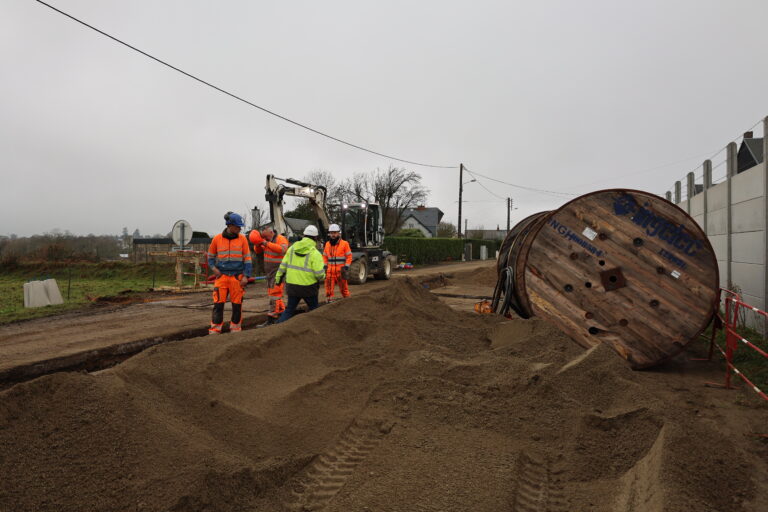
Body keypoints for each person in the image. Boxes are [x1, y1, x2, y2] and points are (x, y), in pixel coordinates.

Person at [206, 212, 252, 334]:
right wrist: (214, 269)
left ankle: (235, 328)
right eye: (237, 226)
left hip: (237, 277)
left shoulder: (242, 239)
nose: (239, 229)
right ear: (229, 225)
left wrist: (246, 276)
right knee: (218, 304)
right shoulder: (217, 239)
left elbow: (247, 259)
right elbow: (210, 257)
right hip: (221, 277)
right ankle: (215, 329)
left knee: (237, 305)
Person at [275, 225, 326, 323]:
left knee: (289, 310)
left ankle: (276, 329)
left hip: (292, 287)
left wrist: (278, 279)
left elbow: (282, 266)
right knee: (314, 310)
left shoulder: (291, 249)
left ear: (304, 235)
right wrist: (324, 277)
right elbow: (319, 275)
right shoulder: (315, 253)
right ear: (315, 238)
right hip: (309, 288)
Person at [250, 225, 289, 325]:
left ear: (270, 232)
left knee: (274, 295)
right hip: (270, 272)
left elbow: (283, 250)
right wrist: (258, 243)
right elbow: (257, 251)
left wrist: (265, 243)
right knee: (275, 295)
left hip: (279, 272)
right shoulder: (265, 240)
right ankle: (283, 314)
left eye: (264, 232)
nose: (262, 234)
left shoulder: (280, 239)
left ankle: (272, 318)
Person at [322, 223, 352, 302]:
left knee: (344, 289)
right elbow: (324, 256)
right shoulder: (327, 244)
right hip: (330, 272)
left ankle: (348, 302)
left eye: (335, 233)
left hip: (340, 271)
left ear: (339, 233)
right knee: (328, 291)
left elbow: (349, 256)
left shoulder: (345, 244)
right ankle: (329, 302)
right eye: (331, 233)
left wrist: (346, 266)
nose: (333, 234)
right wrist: (325, 266)